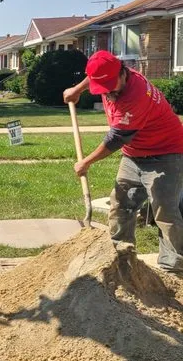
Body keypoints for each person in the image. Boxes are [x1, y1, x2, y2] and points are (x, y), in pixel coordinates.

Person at [63, 50, 183, 273]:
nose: (107, 91)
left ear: (123, 74)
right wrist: (77, 90)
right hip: (134, 154)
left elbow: (116, 138)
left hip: (166, 153)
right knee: (120, 204)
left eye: (110, 84)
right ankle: (121, 257)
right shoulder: (110, 75)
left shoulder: (135, 96)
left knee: (165, 211)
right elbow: (94, 75)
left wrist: (86, 162)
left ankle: (173, 269)